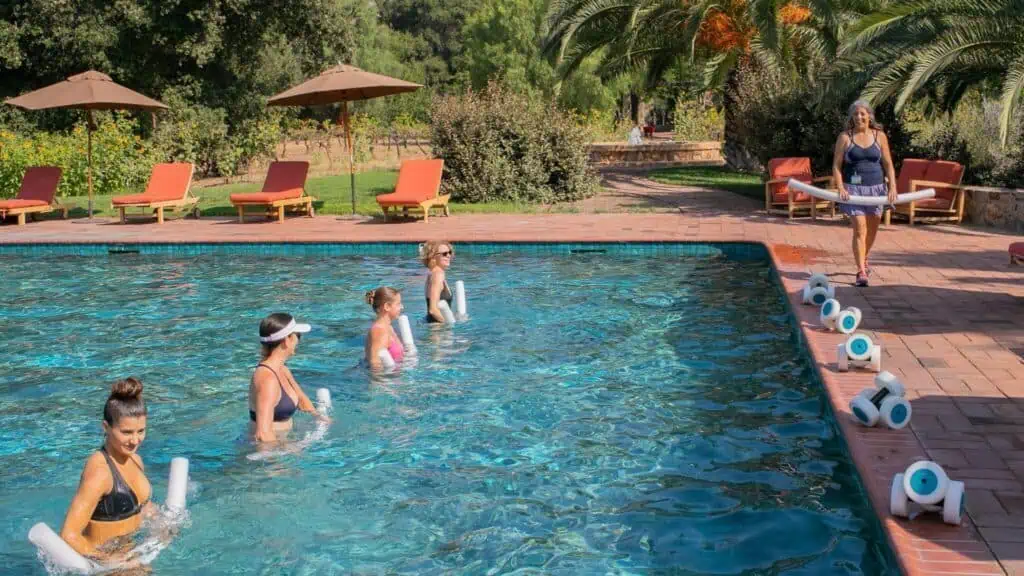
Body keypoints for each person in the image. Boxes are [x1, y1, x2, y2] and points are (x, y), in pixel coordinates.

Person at [60, 378, 155, 559]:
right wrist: (109, 561)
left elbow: (142, 507)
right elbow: (69, 535)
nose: (135, 440)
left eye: (141, 431)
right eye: (126, 432)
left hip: (132, 555)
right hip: (106, 564)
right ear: (106, 427)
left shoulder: (135, 460)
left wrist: (163, 523)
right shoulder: (100, 473)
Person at [832, 100, 898, 287]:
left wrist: (892, 187)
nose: (859, 117)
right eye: (855, 114)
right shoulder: (845, 137)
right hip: (853, 191)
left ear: (869, 115)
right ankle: (861, 271)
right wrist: (841, 187)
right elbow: (837, 166)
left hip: (876, 190)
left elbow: (888, 165)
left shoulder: (880, 136)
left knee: (872, 229)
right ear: (852, 118)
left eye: (862, 113)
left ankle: (864, 257)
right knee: (860, 229)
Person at [249, 313, 325, 443]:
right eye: (297, 336)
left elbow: (301, 400)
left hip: (284, 443)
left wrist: (319, 417)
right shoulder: (267, 379)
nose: (298, 341)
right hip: (269, 453)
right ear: (286, 341)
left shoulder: (282, 369)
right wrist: (284, 453)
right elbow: (263, 434)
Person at [364, 287, 405, 369]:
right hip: (386, 380)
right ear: (387, 306)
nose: (402, 307)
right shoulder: (379, 331)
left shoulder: (388, 327)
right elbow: (375, 365)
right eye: (398, 304)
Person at [421, 241, 454, 324]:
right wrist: (449, 325)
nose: (449, 255)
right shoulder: (437, 275)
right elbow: (433, 310)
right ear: (433, 257)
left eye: (450, 252)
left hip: (434, 327)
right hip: (438, 332)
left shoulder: (433, 273)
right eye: (444, 254)